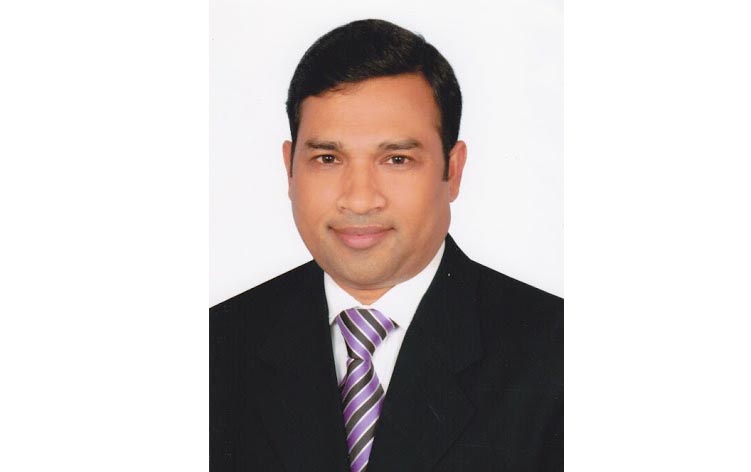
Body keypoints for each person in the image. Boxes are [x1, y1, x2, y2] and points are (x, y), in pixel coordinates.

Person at [210, 19, 562, 472]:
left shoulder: (557, 356)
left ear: (453, 170)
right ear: (290, 169)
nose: (359, 199)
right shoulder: (217, 347)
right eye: (327, 158)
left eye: (396, 159)